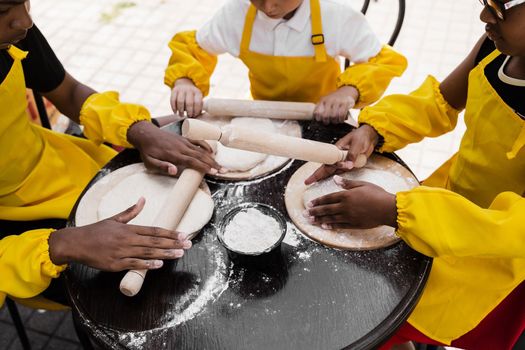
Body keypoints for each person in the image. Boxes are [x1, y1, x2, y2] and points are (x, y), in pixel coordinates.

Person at [304, 0, 525, 349]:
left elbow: (515, 227)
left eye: (498, 9)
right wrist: (374, 130)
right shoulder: (492, 50)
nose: (484, 17)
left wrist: (395, 210)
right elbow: (440, 102)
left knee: (380, 317)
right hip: (445, 204)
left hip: (490, 256)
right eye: (484, 3)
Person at [0, 0, 220, 309]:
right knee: (143, 292)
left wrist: (138, 131)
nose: (24, 21)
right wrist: (60, 244)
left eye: (23, 2)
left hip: (64, 164)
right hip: (16, 234)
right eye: (2, 12)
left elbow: (69, 92)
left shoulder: (12, 34)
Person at [164, 0, 407, 124]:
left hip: (324, 119)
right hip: (263, 118)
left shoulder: (334, 16)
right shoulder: (236, 14)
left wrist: (348, 91)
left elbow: (382, 61)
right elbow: (192, 46)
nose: (269, 7)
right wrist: (185, 81)